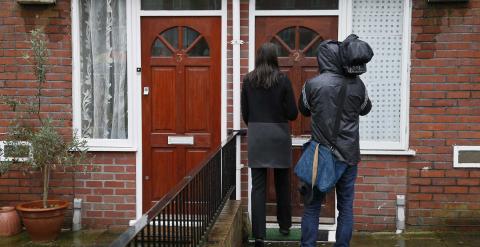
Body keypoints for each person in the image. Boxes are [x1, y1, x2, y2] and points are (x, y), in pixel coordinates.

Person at [298, 37, 373, 247]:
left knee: (312, 207)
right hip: (349, 156)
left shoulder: (312, 85)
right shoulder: (358, 85)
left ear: (322, 59)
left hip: (321, 156)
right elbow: (366, 109)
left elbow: (302, 109)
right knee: (346, 207)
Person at [241, 42, 298, 247]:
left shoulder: (248, 80)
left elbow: (245, 113)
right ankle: (284, 226)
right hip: (279, 134)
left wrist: (257, 125)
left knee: (258, 187)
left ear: (258, 57)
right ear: (275, 58)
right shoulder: (283, 80)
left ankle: (259, 235)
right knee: (283, 182)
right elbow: (293, 113)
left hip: (257, 135)